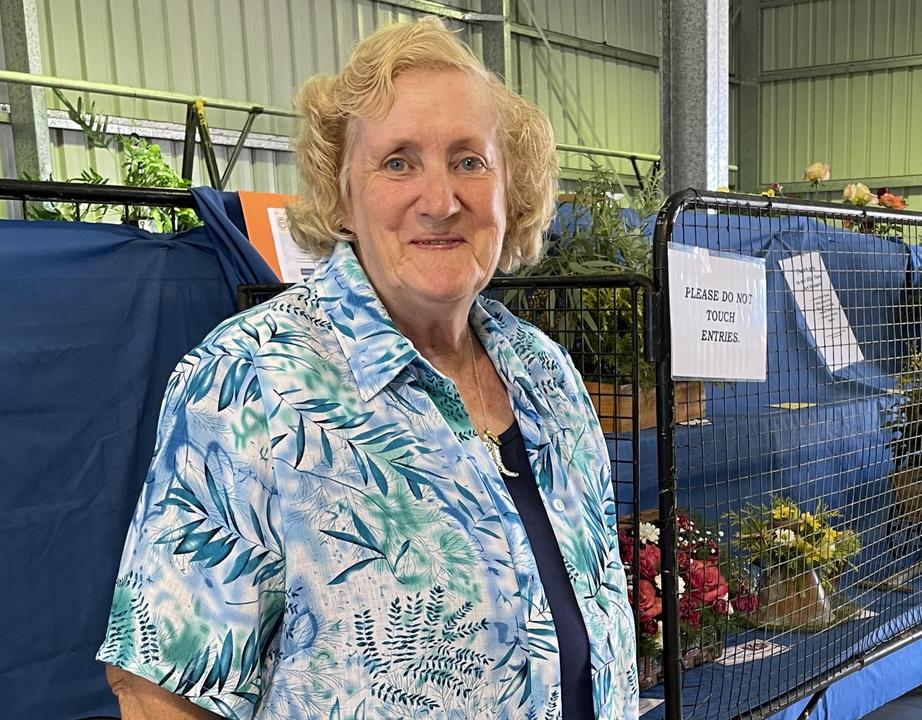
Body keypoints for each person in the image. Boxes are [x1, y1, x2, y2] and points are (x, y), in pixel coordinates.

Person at [98, 17, 638, 720]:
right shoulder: (249, 381)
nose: (441, 199)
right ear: (342, 193)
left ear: (513, 192)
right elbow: (159, 692)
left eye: (470, 161)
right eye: (398, 161)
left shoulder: (546, 376)